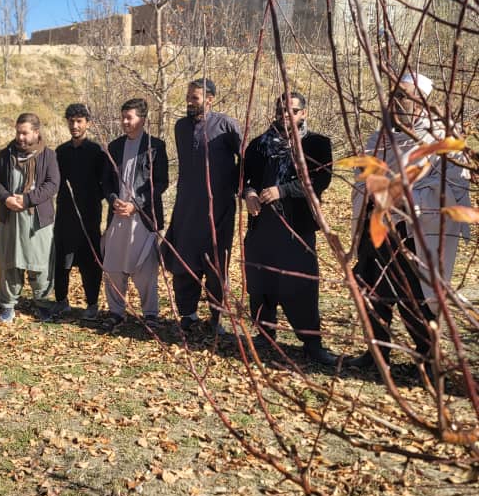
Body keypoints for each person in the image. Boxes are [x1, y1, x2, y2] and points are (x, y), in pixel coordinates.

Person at [349, 72, 471, 367]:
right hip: (376, 227)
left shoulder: (442, 138)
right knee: (369, 288)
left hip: (414, 232)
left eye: (402, 96)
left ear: (420, 101)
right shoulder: (379, 137)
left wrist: (406, 199)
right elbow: (362, 174)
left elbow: (454, 186)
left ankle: (428, 359)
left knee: (414, 294)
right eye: (394, 95)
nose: (395, 102)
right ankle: (376, 352)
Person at [242, 91, 336, 364]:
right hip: (262, 224)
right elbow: (244, 177)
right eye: (282, 109)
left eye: (293, 110)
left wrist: (282, 190)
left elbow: (320, 181)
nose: (286, 115)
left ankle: (311, 342)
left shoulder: (316, 144)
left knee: (300, 284)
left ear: (303, 113)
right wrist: (248, 192)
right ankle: (264, 332)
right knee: (261, 279)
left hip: (297, 225)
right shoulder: (259, 144)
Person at [162, 78, 242, 334]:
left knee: (216, 263)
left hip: (218, 210)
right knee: (184, 261)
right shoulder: (180, 127)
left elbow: (246, 161)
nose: (188, 101)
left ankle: (216, 317)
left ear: (209, 99)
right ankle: (188, 315)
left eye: (194, 97)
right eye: (188, 96)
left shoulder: (226, 126)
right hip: (186, 207)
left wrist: (234, 186)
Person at [100, 98, 169, 332]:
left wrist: (136, 204)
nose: (125, 122)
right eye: (123, 117)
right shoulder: (114, 147)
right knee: (113, 267)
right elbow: (105, 183)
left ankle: (150, 315)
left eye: (129, 117)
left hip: (143, 217)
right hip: (117, 216)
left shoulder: (156, 146)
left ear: (142, 119)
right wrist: (113, 200)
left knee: (145, 269)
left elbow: (161, 183)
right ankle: (116, 312)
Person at [0, 112, 60, 323]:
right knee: (10, 263)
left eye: (24, 133)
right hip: (10, 217)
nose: (20, 137)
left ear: (36, 133)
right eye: (18, 132)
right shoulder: (6, 154)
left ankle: (43, 304)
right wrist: (6, 199)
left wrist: (28, 200)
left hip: (37, 220)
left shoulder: (48, 155)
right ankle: (8, 305)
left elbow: (52, 184)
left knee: (40, 264)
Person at [54, 103, 106, 319]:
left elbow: (104, 184)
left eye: (79, 121)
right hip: (65, 216)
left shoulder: (96, 152)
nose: (75, 125)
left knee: (90, 262)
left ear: (87, 123)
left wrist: (90, 200)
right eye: (71, 121)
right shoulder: (61, 151)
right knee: (61, 260)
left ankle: (92, 304)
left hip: (89, 216)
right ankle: (61, 301)